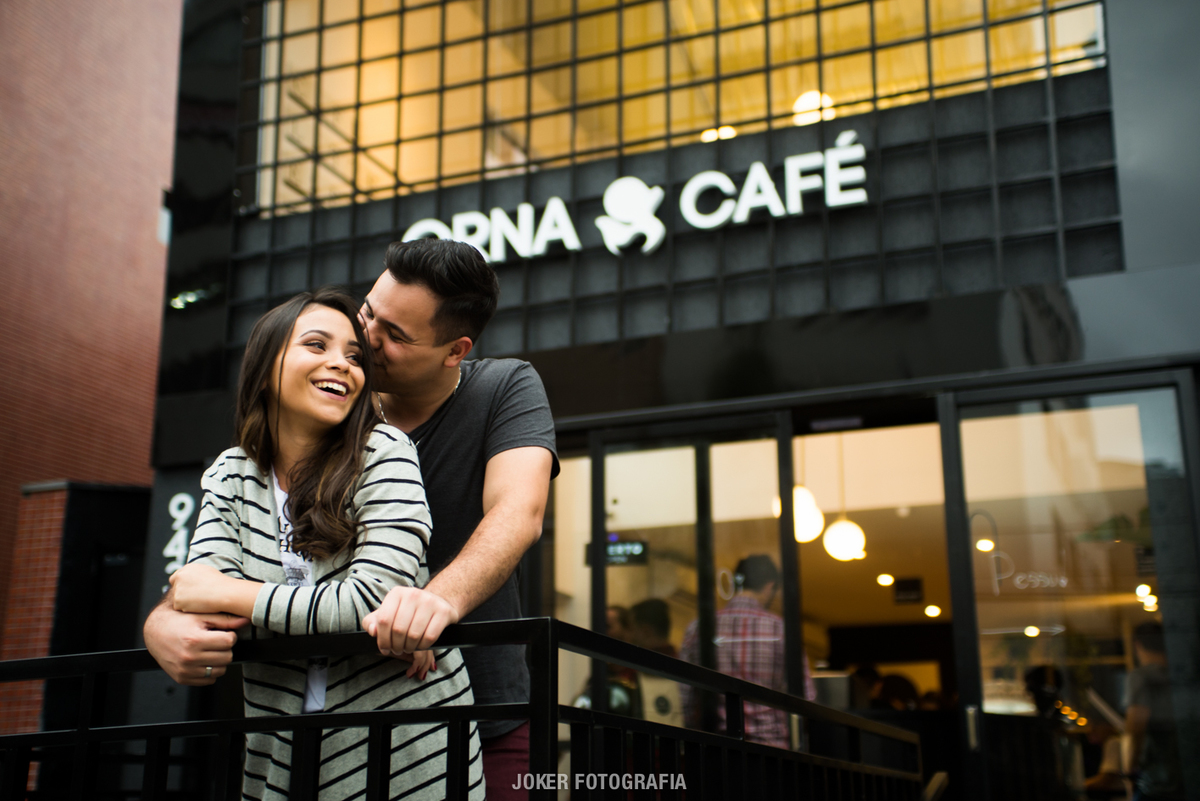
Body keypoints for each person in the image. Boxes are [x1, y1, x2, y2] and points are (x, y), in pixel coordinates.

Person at [143, 238, 558, 800]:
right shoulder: (314, 421)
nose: (364, 338)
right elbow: (222, 559)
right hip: (309, 727)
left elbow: (517, 512)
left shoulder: (501, 388)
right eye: (368, 312)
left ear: (454, 351)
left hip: (478, 708)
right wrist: (164, 619)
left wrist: (432, 603)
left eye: (396, 335)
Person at [165, 289, 484, 799]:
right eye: (317, 345)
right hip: (279, 758)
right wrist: (179, 613)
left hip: (407, 754)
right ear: (267, 363)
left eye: (355, 356)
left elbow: (371, 599)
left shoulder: (384, 450)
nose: (343, 364)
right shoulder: (231, 473)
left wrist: (230, 595)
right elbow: (198, 608)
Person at [679, 555, 815, 749]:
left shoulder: (698, 628)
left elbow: (685, 698)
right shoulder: (781, 630)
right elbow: (807, 697)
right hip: (771, 748)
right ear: (770, 586)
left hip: (715, 746)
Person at [1125, 622, 1183, 801]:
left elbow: (1137, 723)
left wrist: (1131, 766)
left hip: (1158, 777)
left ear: (1137, 645)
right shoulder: (1183, 676)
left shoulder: (1141, 676)